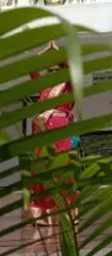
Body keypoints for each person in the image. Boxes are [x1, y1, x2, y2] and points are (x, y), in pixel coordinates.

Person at [29, 41, 79, 225]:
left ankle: (66, 209)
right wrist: (45, 50)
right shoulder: (45, 90)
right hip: (42, 131)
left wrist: (58, 51)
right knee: (41, 171)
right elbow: (32, 69)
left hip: (60, 130)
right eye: (49, 71)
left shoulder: (69, 88)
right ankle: (42, 211)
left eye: (56, 70)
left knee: (61, 169)